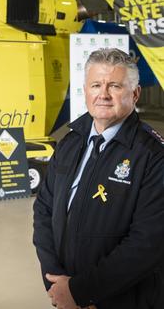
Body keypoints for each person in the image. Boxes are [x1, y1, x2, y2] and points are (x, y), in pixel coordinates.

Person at [33, 48, 164, 309]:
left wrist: (82, 291)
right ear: (85, 90)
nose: (103, 94)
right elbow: (44, 210)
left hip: (126, 300)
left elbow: (148, 242)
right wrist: (56, 284)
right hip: (66, 294)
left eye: (114, 85)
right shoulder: (70, 142)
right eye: (96, 85)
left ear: (135, 94)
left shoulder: (153, 156)